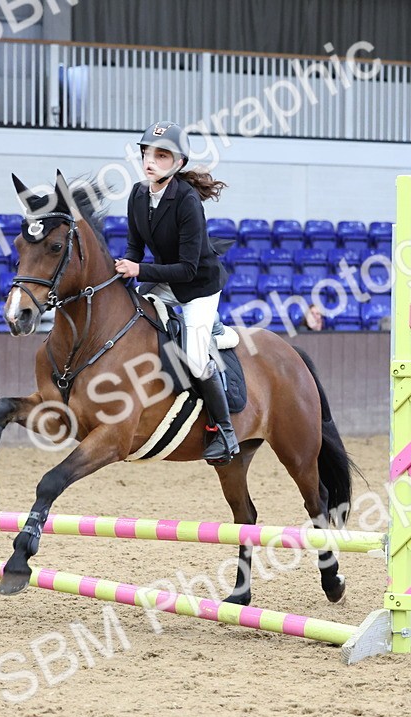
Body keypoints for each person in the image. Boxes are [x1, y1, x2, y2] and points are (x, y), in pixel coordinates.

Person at [113, 122, 238, 464]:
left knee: (197, 361)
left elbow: (188, 268)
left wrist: (139, 270)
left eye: (161, 155)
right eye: (147, 153)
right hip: (165, 282)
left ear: (178, 163)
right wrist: (119, 268)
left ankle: (223, 430)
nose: (150, 160)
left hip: (198, 286)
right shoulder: (138, 194)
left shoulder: (187, 202)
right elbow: (135, 248)